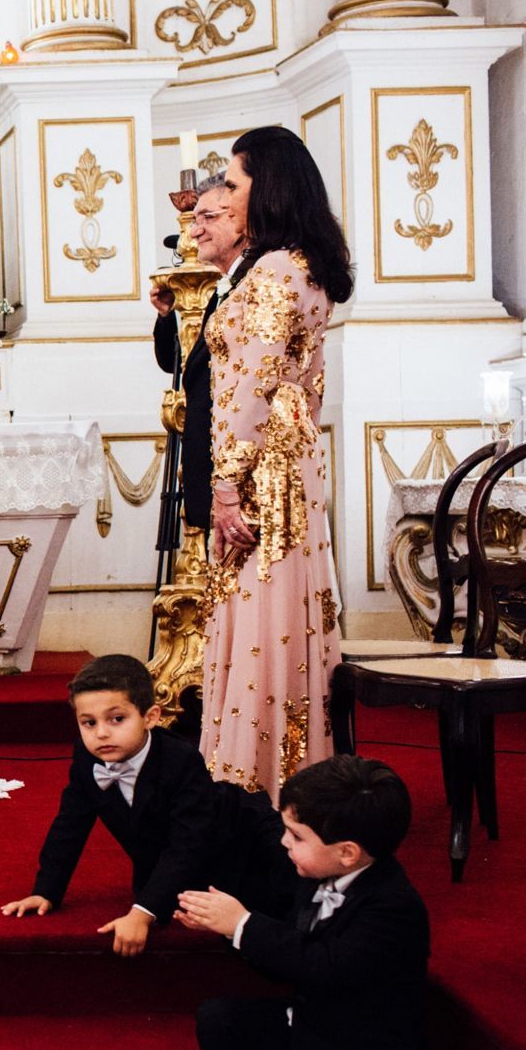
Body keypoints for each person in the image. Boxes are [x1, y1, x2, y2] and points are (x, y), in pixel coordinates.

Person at [179, 757, 429, 1050]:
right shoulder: (316, 873)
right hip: (314, 1024)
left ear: (347, 853)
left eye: (296, 835)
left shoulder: (392, 908)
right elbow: (292, 961)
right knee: (221, 1020)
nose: (283, 842)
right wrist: (227, 930)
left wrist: (242, 924)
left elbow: (324, 966)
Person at [199, 127, 348, 800]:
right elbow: (305, 384)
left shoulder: (275, 270)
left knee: (258, 617)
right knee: (279, 620)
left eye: (233, 181)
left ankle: (251, 786)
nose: (225, 194)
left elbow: (249, 385)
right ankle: (290, 772)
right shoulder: (305, 264)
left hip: (260, 468)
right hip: (290, 458)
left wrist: (227, 486)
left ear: (270, 183)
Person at [0, 654, 293, 957]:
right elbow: (70, 824)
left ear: (150, 717)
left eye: (117, 719)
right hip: (172, 861)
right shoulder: (88, 758)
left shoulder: (181, 760)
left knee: (285, 900)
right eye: (89, 722)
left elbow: (187, 843)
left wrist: (143, 912)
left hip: (242, 843)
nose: (101, 733)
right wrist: (46, 890)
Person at [150, 177, 249, 538]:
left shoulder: (253, 286)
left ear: (239, 220)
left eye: (206, 217)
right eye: (193, 220)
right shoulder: (221, 292)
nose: (194, 231)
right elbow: (176, 363)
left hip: (236, 476)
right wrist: (166, 316)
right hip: (209, 471)